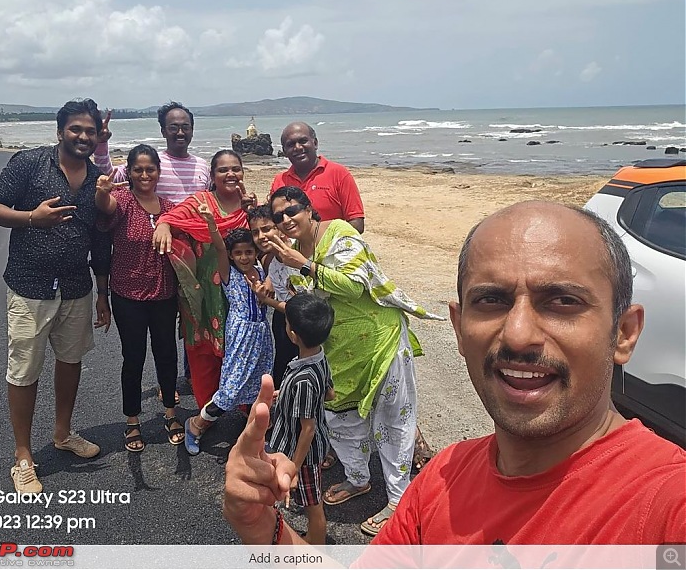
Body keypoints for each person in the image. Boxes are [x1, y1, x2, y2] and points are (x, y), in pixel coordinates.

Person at [223, 201, 686, 546]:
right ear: (460, 328)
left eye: (562, 301)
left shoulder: (666, 502)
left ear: (624, 333)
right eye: (492, 300)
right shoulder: (442, 479)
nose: (519, 334)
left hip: (380, 350)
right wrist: (264, 528)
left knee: (394, 428)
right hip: (349, 361)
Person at [268, 186, 442, 536]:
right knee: (342, 421)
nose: (287, 220)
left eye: (292, 211)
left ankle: (398, 499)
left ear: (309, 209)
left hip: (381, 343)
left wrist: (304, 264)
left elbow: (353, 287)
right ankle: (359, 478)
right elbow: (306, 306)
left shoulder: (339, 234)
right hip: (340, 353)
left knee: (393, 424)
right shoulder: (287, 254)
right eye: (279, 216)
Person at [0, 98, 111, 494]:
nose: (83, 136)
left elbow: (101, 235)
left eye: (90, 131)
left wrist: (103, 293)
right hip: (30, 285)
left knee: (70, 361)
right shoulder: (30, 163)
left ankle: (63, 433)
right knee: (24, 370)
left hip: (76, 287)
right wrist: (30, 218)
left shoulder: (97, 178)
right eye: (76, 129)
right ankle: (23, 455)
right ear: (60, 132)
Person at [94, 102, 211, 397]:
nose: (180, 131)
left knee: (194, 324)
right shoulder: (152, 162)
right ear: (163, 130)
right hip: (152, 262)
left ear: (193, 130)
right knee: (154, 343)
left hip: (193, 260)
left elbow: (209, 203)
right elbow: (109, 179)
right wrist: (102, 144)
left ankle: (188, 380)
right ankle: (170, 386)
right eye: (174, 126)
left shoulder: (202, 166)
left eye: (185, 126)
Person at [151, 150, 256, 416]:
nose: (230, 174)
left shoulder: (249, 205)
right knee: (203, 354)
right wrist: (163, 225)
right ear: (212, 175)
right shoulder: (201, 202)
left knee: (243, 347)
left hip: (240, 292)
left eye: (236, 169)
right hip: (204, 293)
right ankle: (206, 412)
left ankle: (245, 406)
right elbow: (174, 217)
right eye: (223, 170)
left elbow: (264, 238)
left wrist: (252, 213)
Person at [94, 144, 182, 451]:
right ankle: (132, 421)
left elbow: (185, 228)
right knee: (133, 358)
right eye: (138, 169)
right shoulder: (122, 201)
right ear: (129, 173)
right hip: (127, 293)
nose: (145, 174)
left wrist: (168, 223)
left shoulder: (169, 206)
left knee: (167, 354)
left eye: (150, 169)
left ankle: (171, 414)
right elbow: (104, 206)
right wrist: (102, 190)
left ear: (159, 172)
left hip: (164, 294)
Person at [182, 210, 273, 455]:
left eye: (248, 251)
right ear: (232, 256)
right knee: (229, 391)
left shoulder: (262, 270)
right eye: (238, 253)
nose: (244, 257)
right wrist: (212, 225)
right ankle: (196, 425)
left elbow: (274, 246)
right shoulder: (229, 274)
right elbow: (219, 248)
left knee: (259, 386)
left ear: (255, 252)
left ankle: (255, 435)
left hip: (262, 337)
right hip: (241, 336)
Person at [268, 293, 335, 545]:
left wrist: (293, 468)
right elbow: (330, 393)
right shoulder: (318, 358)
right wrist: (286, 393)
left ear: (293, 335)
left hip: (303, 454)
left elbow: (307, 429)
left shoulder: (304, 378)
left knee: (312, 503)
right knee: (309, 499)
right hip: (305, 448)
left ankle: (315, 549)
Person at [270, 121, 365, 234]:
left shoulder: (338, 174)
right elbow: (272, 222)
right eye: (291, 144)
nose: (298, 147)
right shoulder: (280, 181)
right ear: (284, 151)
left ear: (315, 143)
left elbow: (357, 223)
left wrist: (321, 240)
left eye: (303, 141)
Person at [246, 204, 300, 388]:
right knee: (283, 365)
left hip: (304, 323)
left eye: (267, 229)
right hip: (284, 319)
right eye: (255, 232)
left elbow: (299, 308)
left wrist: (266, 300)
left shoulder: (297, 253)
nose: (261, 236)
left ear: (279, 227)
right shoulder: (270, 260)